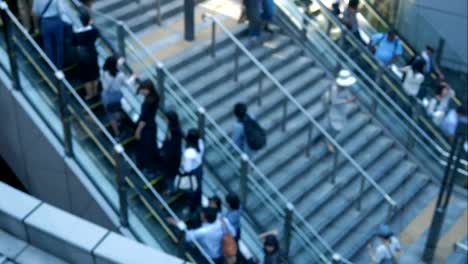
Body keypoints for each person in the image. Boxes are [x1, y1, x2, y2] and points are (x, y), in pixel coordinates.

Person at [101, 56, 136, 139]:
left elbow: (113, 66)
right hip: (116, 96)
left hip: (106, 96)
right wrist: (133, 77)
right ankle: (119, 123)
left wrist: (119, 62)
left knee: (110, 114)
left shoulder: (105, 72)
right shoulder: (120, 75)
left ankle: (117, 133)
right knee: (116, 110)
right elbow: (127, 84)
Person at [323, 70, 356, 153]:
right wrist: (346, 101)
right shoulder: (334, 88)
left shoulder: (345, 88)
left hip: (341, 108)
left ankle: (329, 139)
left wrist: (349, 99)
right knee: (336, 126)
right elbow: (334, 101)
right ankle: (328, 142)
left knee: (339, 125)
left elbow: (347, 94)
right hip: (335, 108)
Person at [72, 10, 99, 100]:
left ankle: (89, 94)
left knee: (86, 77)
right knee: (94, 74)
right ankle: (95, 92)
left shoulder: (77, 33)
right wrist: (91, 24)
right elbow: (96, 33)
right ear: (89, 20)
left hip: (82, 56)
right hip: (92, 54)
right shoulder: (93, 31)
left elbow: (73, 43)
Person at [33, 0, 68, 68]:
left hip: (45, 22)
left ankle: (51, 66)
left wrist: (36, 27)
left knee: (47, 44)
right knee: (59, 45)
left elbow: (35, 12)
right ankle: (59, 65)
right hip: (56, 20)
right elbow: (62, 10)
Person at [135, 80, 160, 173]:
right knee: (152, 145)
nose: (141, 92)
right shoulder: (155, 97)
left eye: (142, 90)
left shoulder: (147, 103)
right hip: (152, 125)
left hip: (146, 128)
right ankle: (154, 164)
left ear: (147, 90)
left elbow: (143, 120)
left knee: (144, 147)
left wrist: (138, 131)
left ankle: (146, 166)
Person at [180, 129, 205, 213]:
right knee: (198, 188)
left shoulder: (189, 152)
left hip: (192, 172)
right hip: (199, 169)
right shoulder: (200, 142)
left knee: (191, 190)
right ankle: (198, 203)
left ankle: (192, 208)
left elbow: (187, 168)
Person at [160, 111, 182, 192]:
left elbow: (171, 147)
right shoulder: (174, 129)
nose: (165, 120)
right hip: (174, 157)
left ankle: (171, 190)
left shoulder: (174, 132)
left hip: (172, 159)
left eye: (166, 119)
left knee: (170, 175)